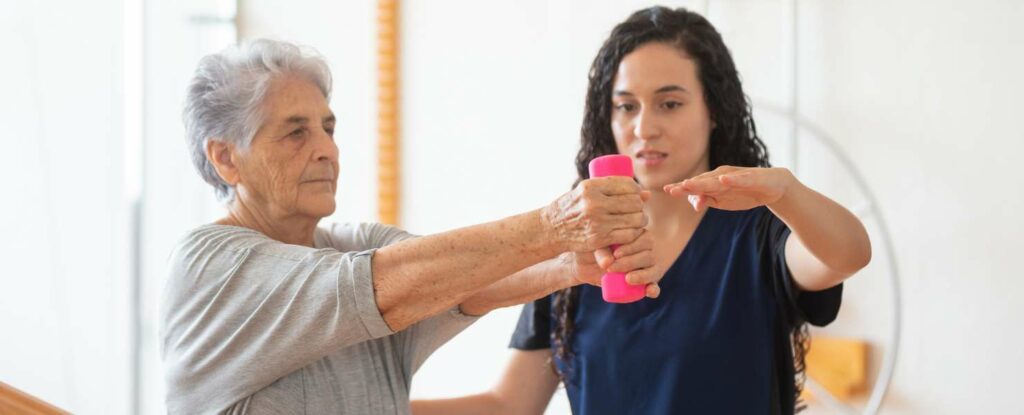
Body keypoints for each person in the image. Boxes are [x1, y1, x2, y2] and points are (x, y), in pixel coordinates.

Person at [159, 39, 662, 414]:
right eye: (295, 132)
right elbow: (377, 287)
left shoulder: (358, 245)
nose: (326, 149)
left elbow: (459, 282)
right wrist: (555, 226)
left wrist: (567, 265)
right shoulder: (207, 265)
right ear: (226, 158)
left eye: (328, 128)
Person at [411, 6, 871, 414]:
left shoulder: (760, 234)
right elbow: (508, 405)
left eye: (670, 104)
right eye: (625, 107)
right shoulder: (575, 252)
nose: (643, 127)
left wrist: (785, 190)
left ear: (714, 110)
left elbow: (846, 254)